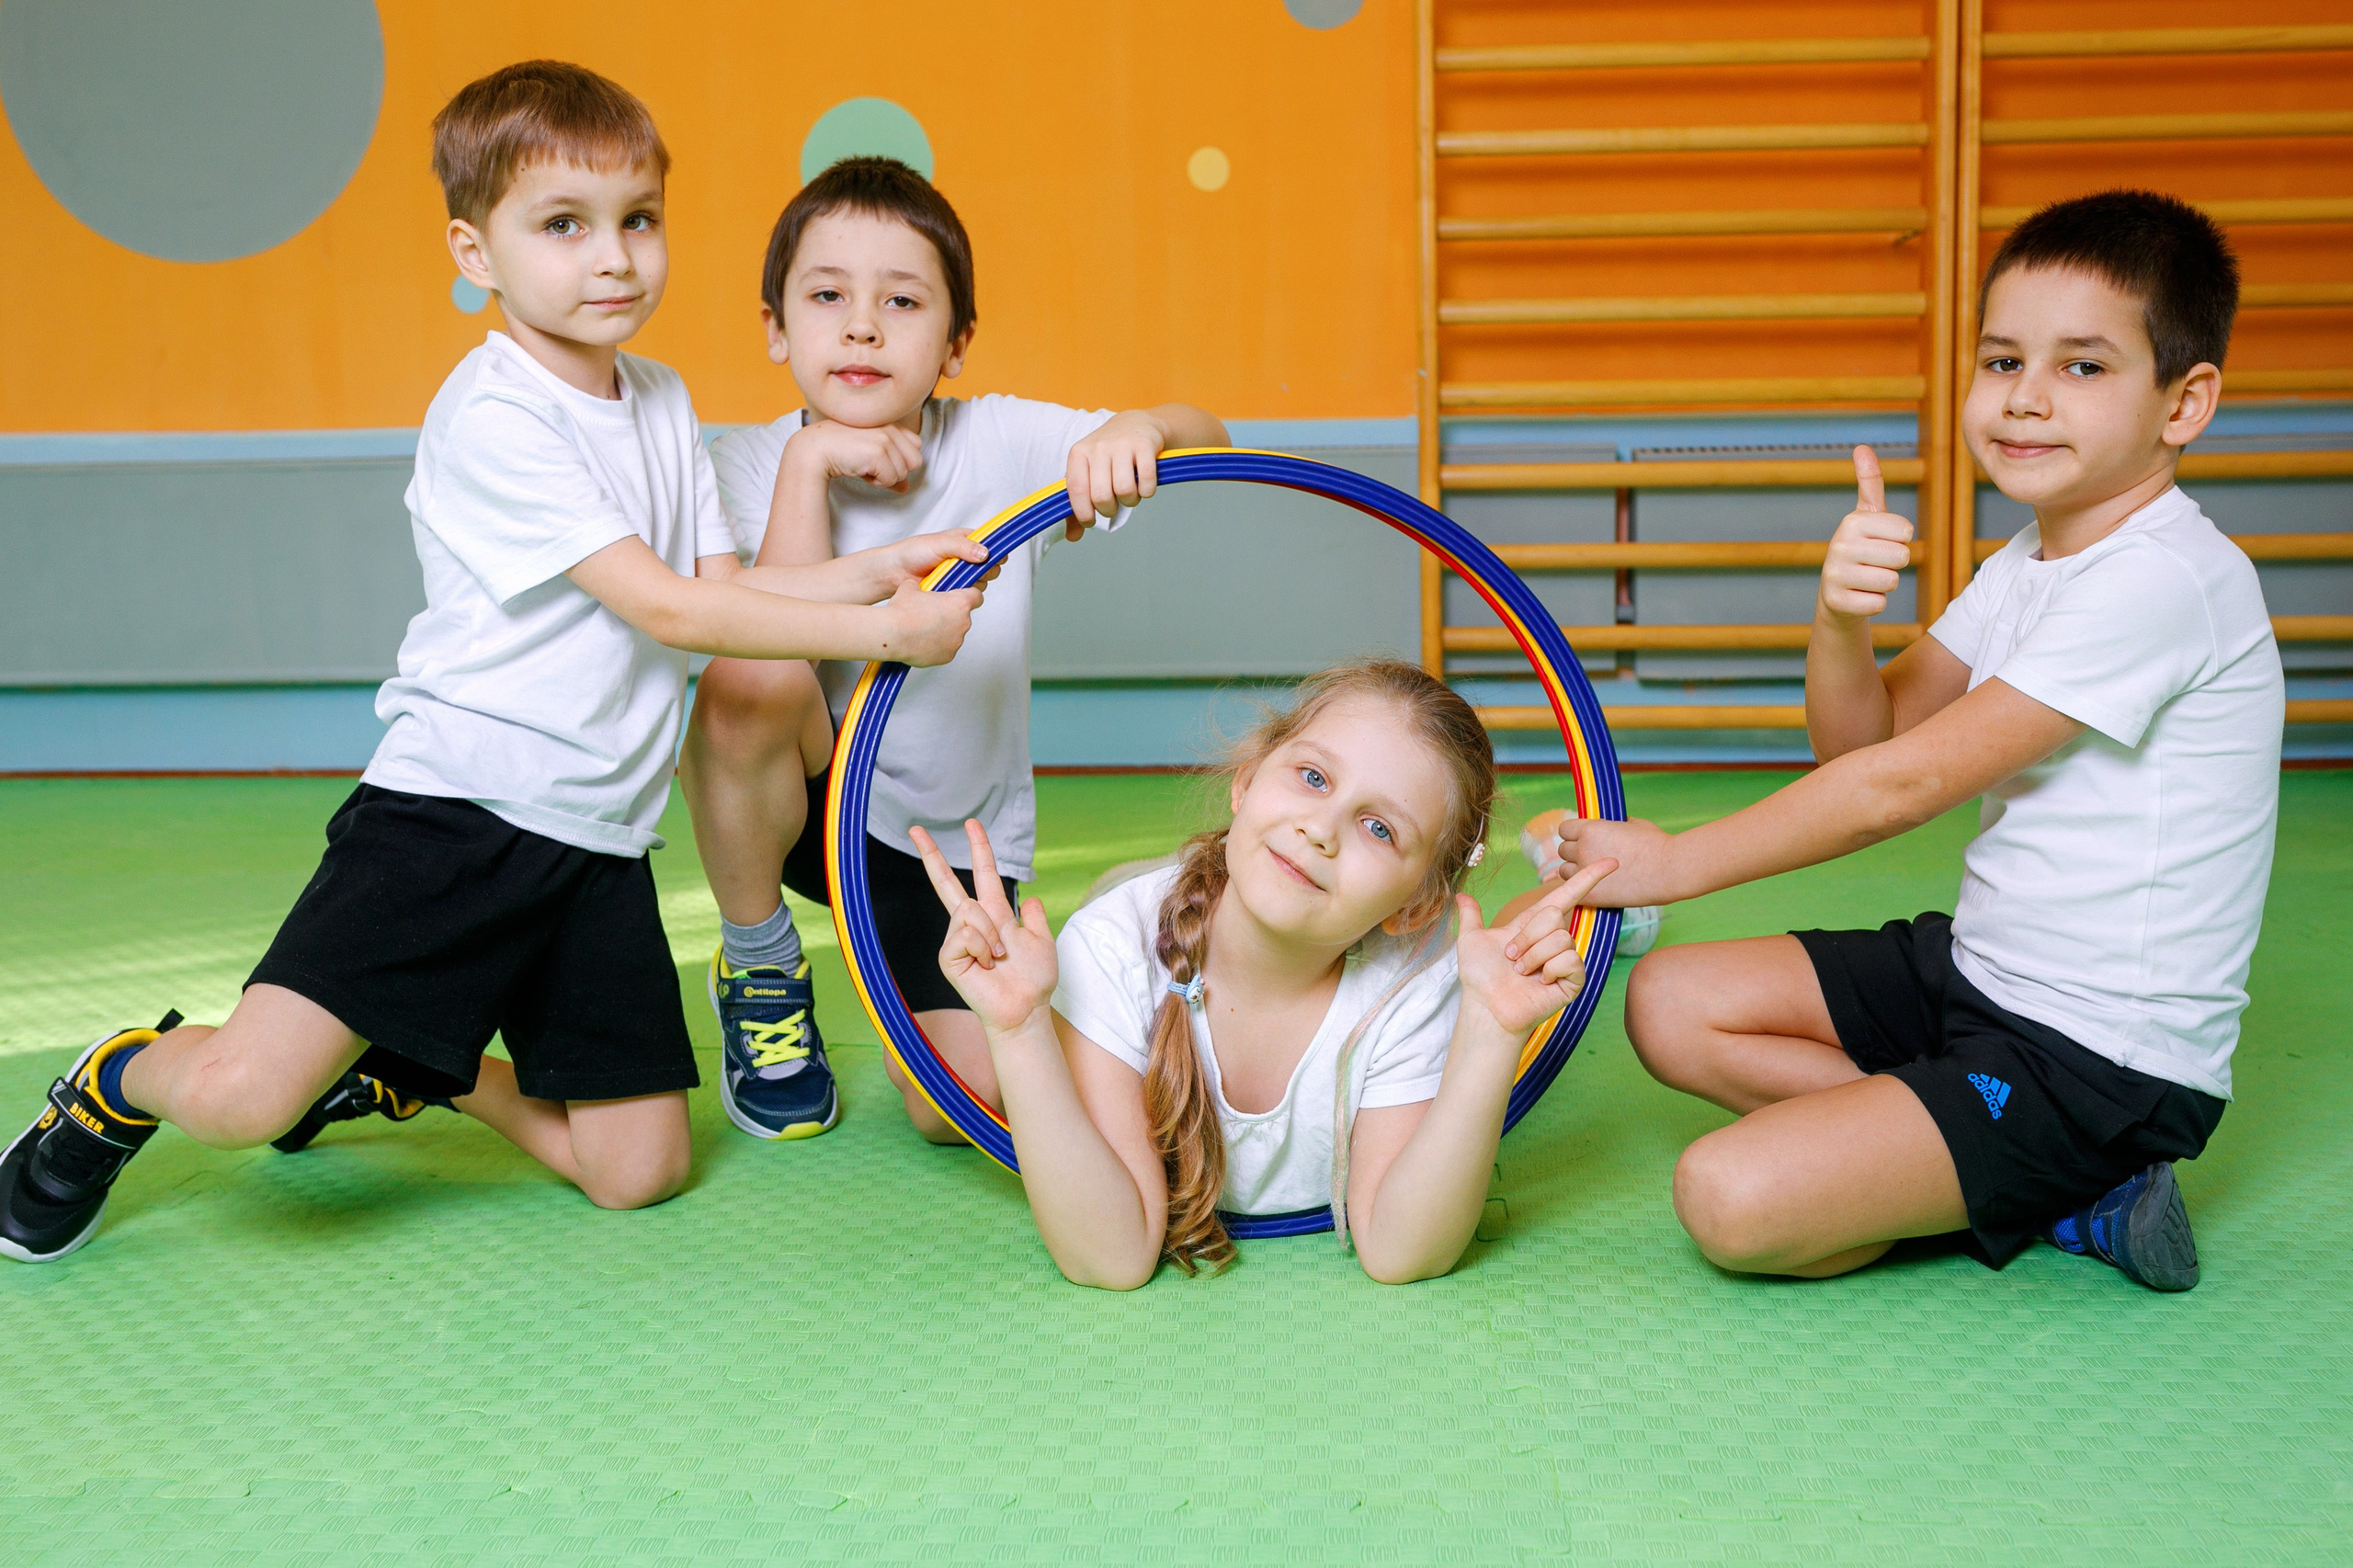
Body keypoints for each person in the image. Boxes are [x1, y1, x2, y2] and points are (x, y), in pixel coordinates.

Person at [0, 62, 991, 1264]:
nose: (614, 257)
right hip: (450, 817)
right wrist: (887, 634)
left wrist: (888, 572)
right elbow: (672, 614)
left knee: (639, 1172)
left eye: (638, 219)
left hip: (597, 846)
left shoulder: (661, 399)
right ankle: (119, 1075)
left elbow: (726, 589)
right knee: (242, 1101)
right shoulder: (496, 416)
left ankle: (426, 1065)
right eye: (564, 226)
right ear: (477, 251)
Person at [1556, 190, 2281, 1291]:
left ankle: (2063, 1169)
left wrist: (1670, 862)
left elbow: (1897, 787)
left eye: (2082, 367)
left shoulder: (2167, 578)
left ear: (2184, 403)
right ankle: (2004, 1170)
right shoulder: (2025, 564)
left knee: (1730, 1196)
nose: (2027, 399)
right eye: (2001, 361)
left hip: (2091, 1059)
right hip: (1980, 971)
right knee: (1667, 1004)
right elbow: (1864, 736)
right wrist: (1841, 622)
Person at [679, 156, 1226, 1144]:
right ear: (775, 327)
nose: (861, 326)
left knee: (955, 1107)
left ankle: (1131, 925)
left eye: (901, 300)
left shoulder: (997, 441)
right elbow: (749, 622)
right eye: (827, 296)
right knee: (746, 675)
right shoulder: (746, 461)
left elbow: (1206, 439)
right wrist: (812, 462)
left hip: (937, 844)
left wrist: (1139, 427)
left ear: (956, 342)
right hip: (797, 804)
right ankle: (760, 960)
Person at [908, 660, 1616, 1288]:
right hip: (1146, 919)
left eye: (1379, 828)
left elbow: (1403, 1253)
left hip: (1304, 923)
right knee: (946, 1099)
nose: (1321, 828)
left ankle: (1572, 876)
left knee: (1506, 942)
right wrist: (1019, 1027)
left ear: (1414, 907)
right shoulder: (1110, 950)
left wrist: (1490, 1032)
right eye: (1312, 778)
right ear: (1246, 781)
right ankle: (1118, 892)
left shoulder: (1419, 979)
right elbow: (1110, 1258)